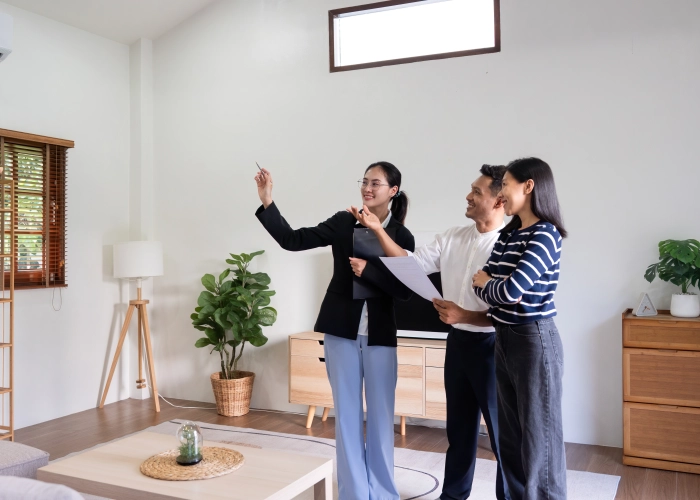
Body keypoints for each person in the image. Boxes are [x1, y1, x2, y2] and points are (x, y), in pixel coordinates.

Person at [254, 161, 414, 500]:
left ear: (393, 191)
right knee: (347, 415)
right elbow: (293, 240)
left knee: (382, 417)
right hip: (341, 331)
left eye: (375, 183)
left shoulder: (401, 236)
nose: (367, 188)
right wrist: (268, 200)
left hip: (380, 335)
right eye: (364, 181)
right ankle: (354, 493)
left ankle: (383, 493)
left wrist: (370, 271)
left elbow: (405, 291)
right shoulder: (343, 222)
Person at [349, 165, 510, 500]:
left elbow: (511, 312)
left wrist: (464, 314)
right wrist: (378, 229)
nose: (468, 196)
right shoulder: (453, 237)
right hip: (459, 343)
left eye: (477, 192)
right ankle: (452, 496)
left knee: (502, 434)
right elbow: (410, 264)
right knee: (460, 430)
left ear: (498, 201)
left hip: (495, 347)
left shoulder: (509, 244)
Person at [472, 157, 568, 500]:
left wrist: (490, 284)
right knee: (509, 438)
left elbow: (509, 291)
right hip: (504, 338)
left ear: (529, 186)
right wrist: (492, 286)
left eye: (506, 185)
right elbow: (479, 284)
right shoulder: (509, 234)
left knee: (540, 441)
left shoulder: (546, 234)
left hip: (534, 340)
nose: (501, 194)